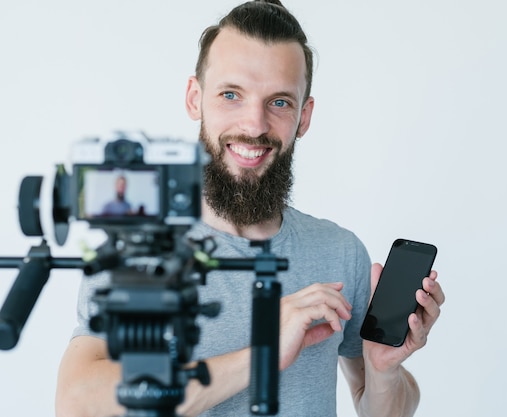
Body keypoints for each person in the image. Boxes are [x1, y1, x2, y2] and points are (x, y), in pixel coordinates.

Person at [55, 1, 445, 416]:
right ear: (194, 99)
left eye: (279, 102)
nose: (255, 125)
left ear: (304, 117)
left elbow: (381, 410)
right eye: (230, 94)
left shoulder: (341, 252)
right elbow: (77, 403)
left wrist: (383, 370)